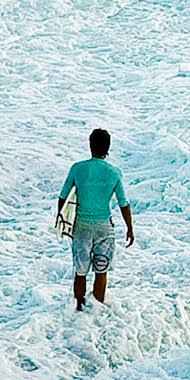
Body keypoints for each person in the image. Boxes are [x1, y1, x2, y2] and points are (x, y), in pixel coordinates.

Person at [57, 127, 134, 311]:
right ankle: (97, 311)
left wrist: (63, 222)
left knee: (80, 272)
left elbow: (63, 198)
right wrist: (130, 228)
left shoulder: (78, 168)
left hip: (81, 227)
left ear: (90, 145)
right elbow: (124, 203)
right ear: (108, 148)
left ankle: (78, 308)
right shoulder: (114, 172)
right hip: (104, 228)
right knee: (101, 271)